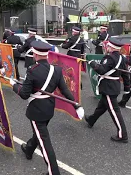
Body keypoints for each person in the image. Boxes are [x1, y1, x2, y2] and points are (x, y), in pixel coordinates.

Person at [10, 41, 82, 175]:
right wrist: (75, 104)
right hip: (49, 107)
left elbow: (25, 94)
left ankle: (54, 172)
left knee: (44, 142)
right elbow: (65, 90)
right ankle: (29, 149)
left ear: (35, 54)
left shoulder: (32, 70)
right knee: (39, 132)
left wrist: (13, 85)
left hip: (36, 111)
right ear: (47, 55)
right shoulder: (57, 70)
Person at [84, 38, 131, 143]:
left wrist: (91, 63)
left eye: (107, 46)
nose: (106, 47)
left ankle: (123, 135)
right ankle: (92, 120)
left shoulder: (109, 58)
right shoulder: (122, 58)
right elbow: (125, 74)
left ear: (111, 47)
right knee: (102, 106)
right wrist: (127, 88)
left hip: (108, 87)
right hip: (113, 86)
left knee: (115, 112)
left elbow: (101, 70)